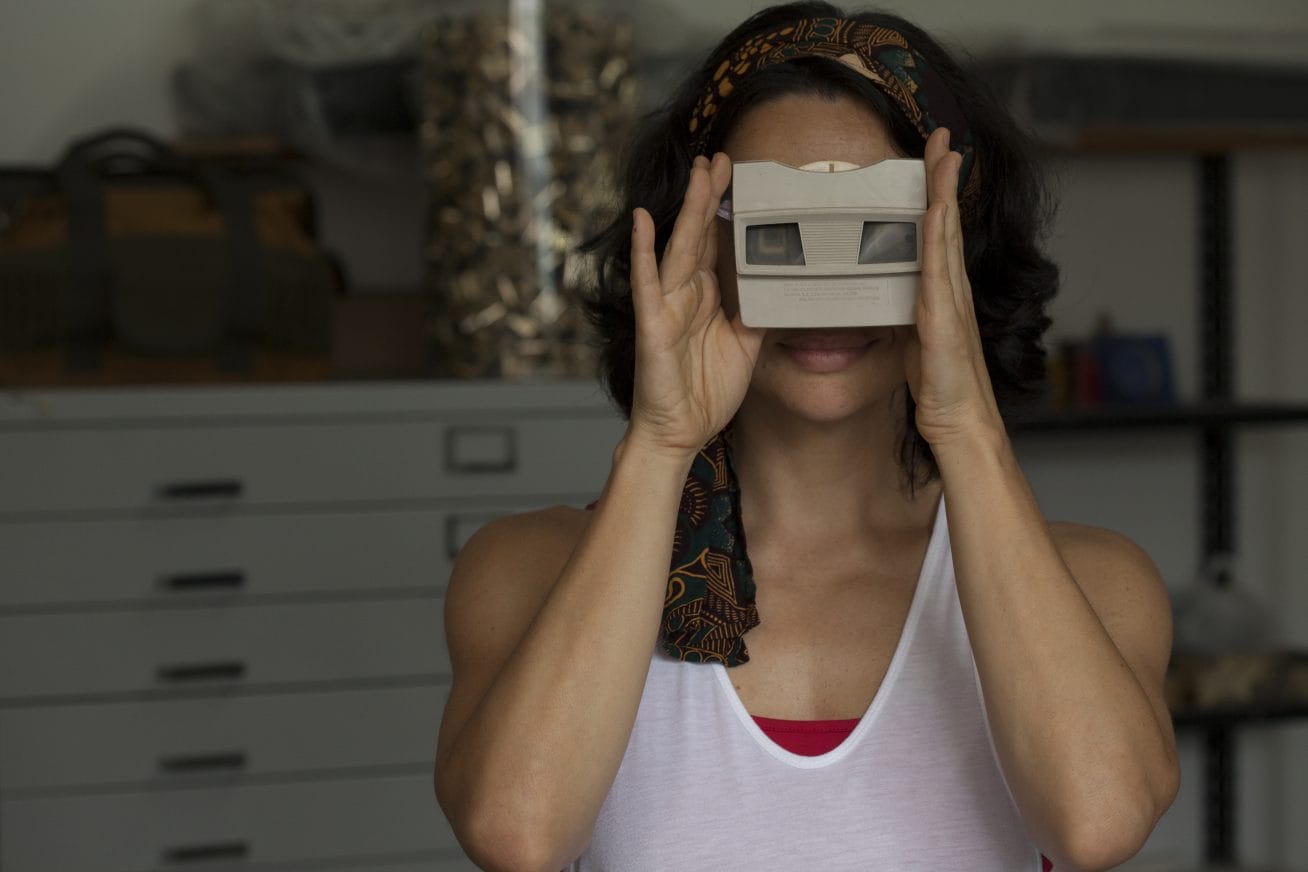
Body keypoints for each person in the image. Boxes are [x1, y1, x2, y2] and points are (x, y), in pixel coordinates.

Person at [433, 4, 1181, 870]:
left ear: (957, 252)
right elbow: (517, 836)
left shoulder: (1098, 586)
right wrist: (661, 442)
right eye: (777, 231)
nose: (827, 296)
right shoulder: (528, 572)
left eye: (879, 233)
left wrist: (966, 423)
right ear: (697, 245)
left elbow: (1097, 825)